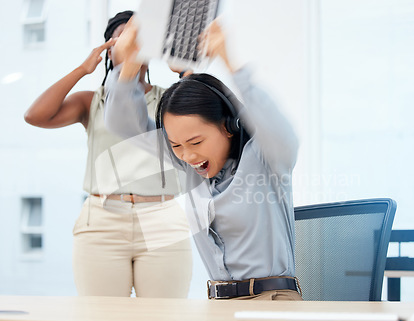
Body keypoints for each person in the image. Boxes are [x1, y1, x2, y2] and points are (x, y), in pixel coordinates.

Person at [104, 18, 302, 301]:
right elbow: (122, 125)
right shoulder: (190, 168)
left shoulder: (265, 160)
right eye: (176, 145)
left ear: (228, 126)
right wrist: (131, 64)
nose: (188, 155)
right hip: (218, 306)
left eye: (196, 142)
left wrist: (229, 61)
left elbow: (280, 132)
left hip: (273, 304)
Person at [24, 11, 192, 298]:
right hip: (102, 222)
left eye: (139, 38)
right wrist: (82, 69)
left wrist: (183, 70)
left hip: (162, 219)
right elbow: (35, 115)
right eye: (123, 37)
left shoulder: (170, 99)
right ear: (108, 50)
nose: (132, 44)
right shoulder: (92, 101)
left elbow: (201, 121)